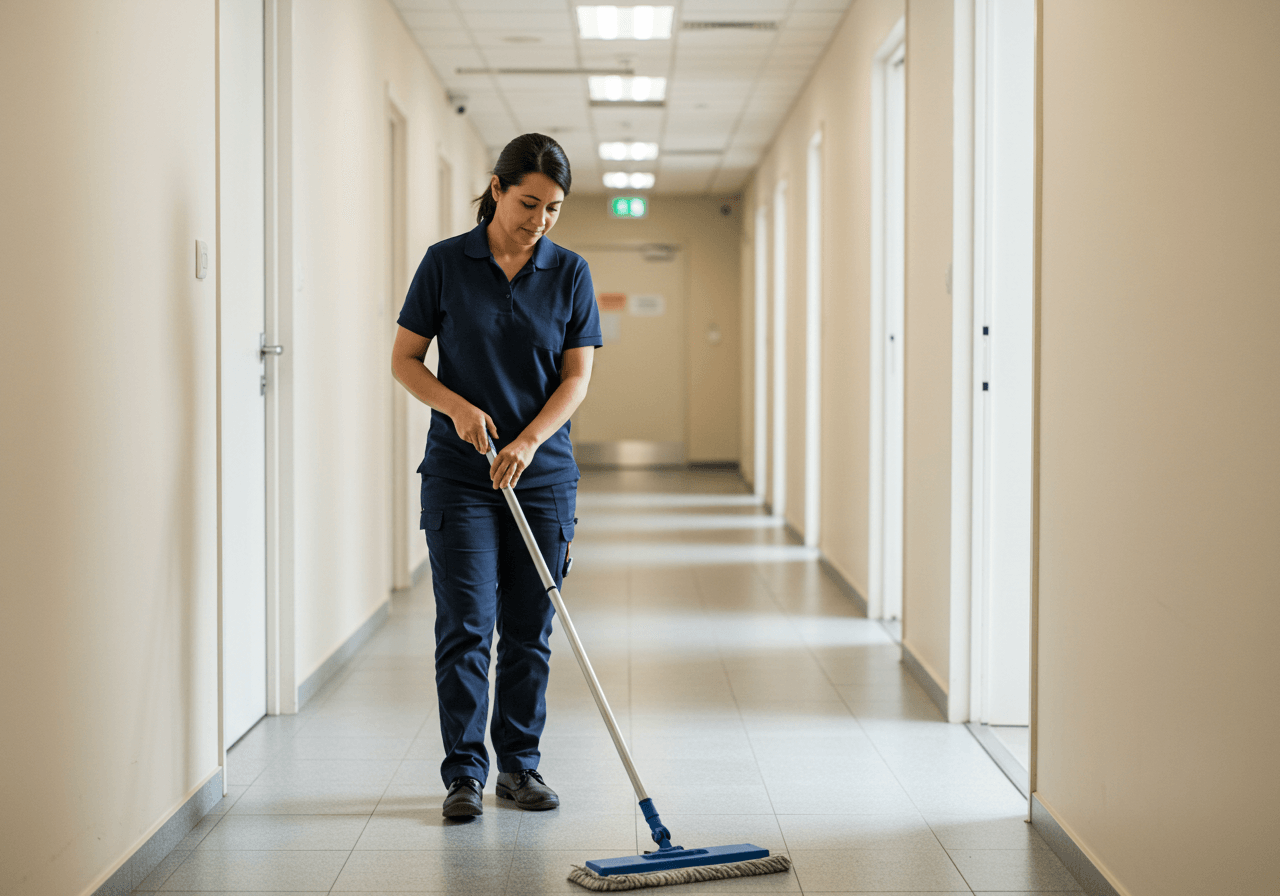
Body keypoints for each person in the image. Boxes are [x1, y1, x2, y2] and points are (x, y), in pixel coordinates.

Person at [390, 133, 602, 818]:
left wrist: (532, 441)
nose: (539, 220)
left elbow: (576, 378)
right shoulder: (446, 264)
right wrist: (455, 406)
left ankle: (520, 767)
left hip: (541, 479)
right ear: (497, 187)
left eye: (554, 209)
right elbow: (406, 360)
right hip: (460, 475)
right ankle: (463, 773)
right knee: (467, 624)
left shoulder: (570, 273)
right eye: (529, 203)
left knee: (529, 627)